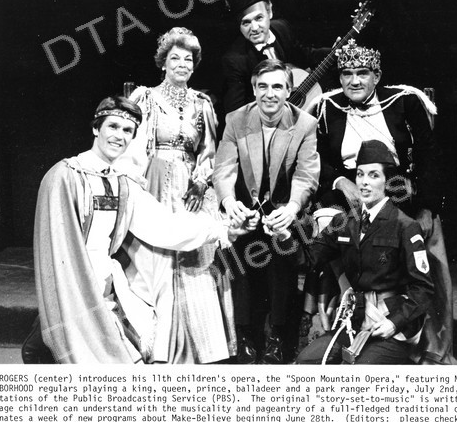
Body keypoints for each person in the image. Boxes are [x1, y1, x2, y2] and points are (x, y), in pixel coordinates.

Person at [27, 96, 249, 364]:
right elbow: (56, 252)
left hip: (106, 288)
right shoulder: (65, 176)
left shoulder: (123, 184)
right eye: (112, 126)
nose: (119, 136)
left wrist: (223, 228)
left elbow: (165, 226)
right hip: (72, 288)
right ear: (96, 129)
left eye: (127, 130)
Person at [306, 38, 455, 364]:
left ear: (377, 76)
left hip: (397, 185)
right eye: (346, 74)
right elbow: (317, 158)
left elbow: (430, 156)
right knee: (327, 222)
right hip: (348, 187)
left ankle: (431, 343)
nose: (354, 81)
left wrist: (427, 206)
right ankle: (347, 310)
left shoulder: (404, 101)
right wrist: (341, 181)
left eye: (362, 73)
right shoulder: (328, 107)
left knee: (422, 233)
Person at [118, 27, 235, 364]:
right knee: (157, 257)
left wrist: (201, 181)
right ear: (163, 63)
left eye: (188, 60)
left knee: (195, 256)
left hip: (189, 187)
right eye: (175, 58)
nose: (182, 64)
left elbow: (210, 150)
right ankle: (158, 344)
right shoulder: (146, 97)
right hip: (154, 180)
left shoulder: (202, 103)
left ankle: (201, 346)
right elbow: (133, 147)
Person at [213, 58, 320, 364]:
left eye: (277, 87)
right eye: (262, 86)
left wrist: (291, 209)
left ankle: (277, 337)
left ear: (288, 91)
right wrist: (230, 204)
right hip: (246, 211)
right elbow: (224, 169)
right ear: (254, 89)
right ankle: (246, 337)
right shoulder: (236, 119)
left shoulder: (305, 124)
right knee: (238, 250)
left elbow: (306, 175)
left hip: (286, 211)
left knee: (281, 251)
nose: (269, 94)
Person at [295, 140, 434, 364]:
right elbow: (311, 259)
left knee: (360, 372)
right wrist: (285, 236)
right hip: (356, 321)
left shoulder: (405, 226)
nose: (364, 182)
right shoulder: (343, 222)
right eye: (360, 174)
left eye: (373, 175)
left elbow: (423, 289)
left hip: (390, 324)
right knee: (307, 361)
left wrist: (395, 323)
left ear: (387, 181)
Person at [221, 0, 332, 114]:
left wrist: (335, 50)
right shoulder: (234, 60)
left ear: (269, 11)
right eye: (246, 22)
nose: (255, 28)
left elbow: (306, 55)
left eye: (259, 18)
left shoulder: (282, 28)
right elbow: (236, 113)